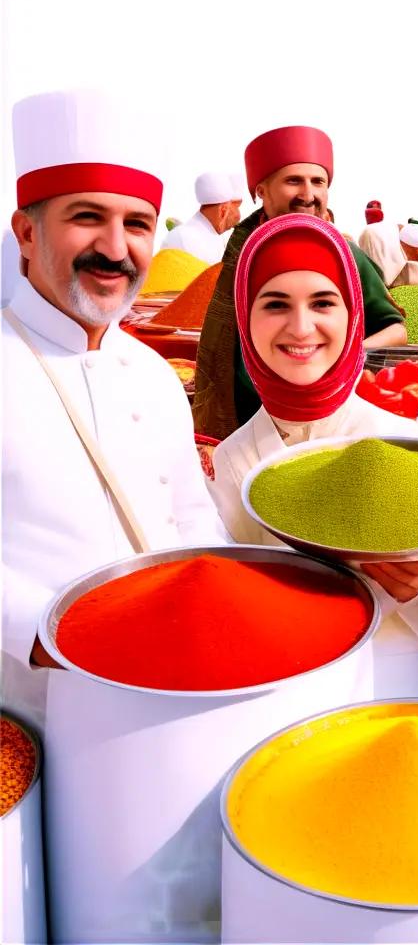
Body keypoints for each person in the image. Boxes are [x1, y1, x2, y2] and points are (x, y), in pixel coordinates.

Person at [2, 89, 224, 727]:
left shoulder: (155, 375)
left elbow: (191, 518)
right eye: (86, 217)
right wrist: (47, 634)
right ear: (26, 231)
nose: (115, 246)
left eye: (136, 223)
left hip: (168, 696)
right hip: (31, 713)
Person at [207, 213, 418, 696]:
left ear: (354, 313)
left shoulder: (395, 436)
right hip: (273, 687)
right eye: (274, 304)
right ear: (243, 318)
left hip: (394, 683)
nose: (301, 327)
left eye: (323, 303)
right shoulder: (230, 459)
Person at [192, 126, 407, 441]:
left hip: (327, 422)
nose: (308, 194)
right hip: (246, 423)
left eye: (318, 182)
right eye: (293, 181)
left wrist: (345, 355)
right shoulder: (239, 255)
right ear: (262, 191)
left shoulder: (343, 255)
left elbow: (396, 329)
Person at [161, 171, 244, 263]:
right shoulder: (184, 238)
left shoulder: (215, 239)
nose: (239, 217)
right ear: (223, 211)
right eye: (237, 207)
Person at [357, 199, 407, 286]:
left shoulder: (367, 231)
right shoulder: (393, 228)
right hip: (403, 278)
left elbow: (365, 265)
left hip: (383, 285)